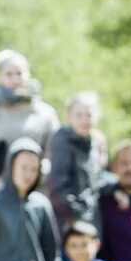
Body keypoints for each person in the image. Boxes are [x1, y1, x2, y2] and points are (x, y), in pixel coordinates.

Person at [0, 49, 60, 195]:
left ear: (28, 75)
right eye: (9, 74)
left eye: (19, 73)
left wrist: (33, 179)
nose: (15, 79)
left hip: (36, 192)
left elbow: (56, 155)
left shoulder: (46, 114)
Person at [47, 91, 103, 231]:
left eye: (89, 115)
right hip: (71, 222)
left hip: (90, 217)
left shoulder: (92, 144)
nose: (85, 120)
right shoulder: (62, 143)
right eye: (79, 115)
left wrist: (115, 189)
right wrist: (76, 216)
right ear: (69, 117)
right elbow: (58, 187)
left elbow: (95, 180)